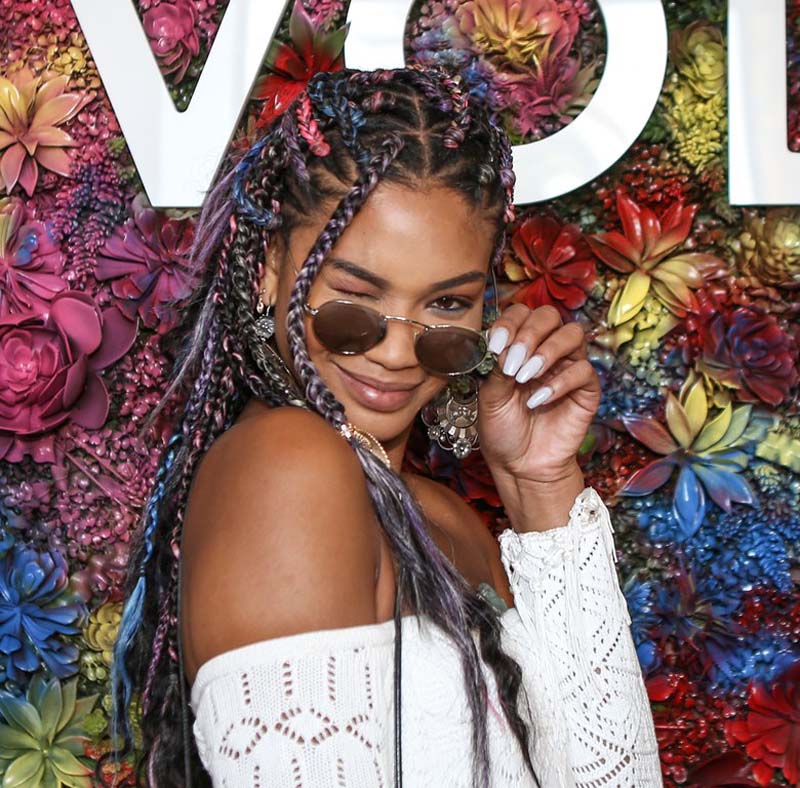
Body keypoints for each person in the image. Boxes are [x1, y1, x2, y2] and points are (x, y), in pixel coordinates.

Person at [106, 64, 663, 787]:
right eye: (355, 302)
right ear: (270, 269)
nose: (398, 352)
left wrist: (540, 484)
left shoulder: (446, 520)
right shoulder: (286, 470)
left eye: (447, 306)